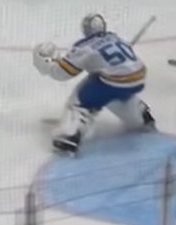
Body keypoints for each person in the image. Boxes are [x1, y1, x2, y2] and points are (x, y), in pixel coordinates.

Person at [33, 14, 155, 155]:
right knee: (113, 92)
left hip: (114, 81)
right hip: (138, 77)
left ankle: (70, 135)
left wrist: (44, 62)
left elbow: (61, 73)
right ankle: (140, 116)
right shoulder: (114, 37)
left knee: (80, 99)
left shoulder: (84, 47)